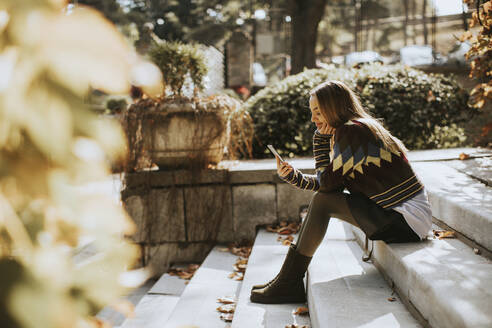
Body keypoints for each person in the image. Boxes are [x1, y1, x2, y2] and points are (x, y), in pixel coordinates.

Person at [249, 80, 432, 304]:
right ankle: (286, 279)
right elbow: (330, 184)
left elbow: (327, 187)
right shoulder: (356, 129)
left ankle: (289, 281)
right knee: (323, 200)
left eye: (318, 112)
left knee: (322, 201)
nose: (313, 119)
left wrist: (320, 143)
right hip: (403, 216)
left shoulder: (353, 131)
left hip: (406, 219)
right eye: (312, 112)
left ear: (333, 107)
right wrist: (291, 175)